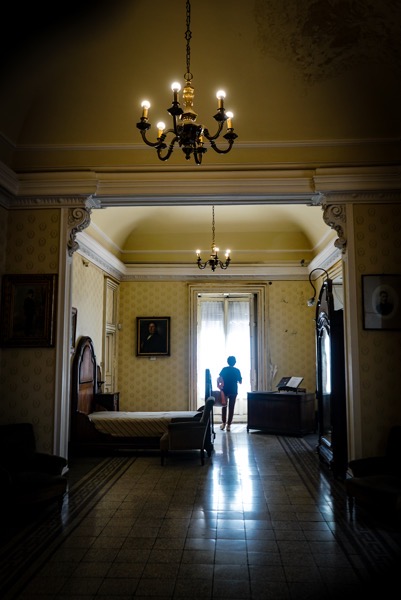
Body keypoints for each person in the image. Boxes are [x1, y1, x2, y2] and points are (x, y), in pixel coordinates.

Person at [218, 355, 242, 432]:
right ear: (235, 362)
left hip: (225, 390)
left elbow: (220, 378)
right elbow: (240, 381)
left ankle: (223, 423)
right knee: (231, 407)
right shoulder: (237, 370)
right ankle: (229, 425)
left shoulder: (224, 369)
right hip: (234, 390)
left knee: (224, 406)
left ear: (227, 362)